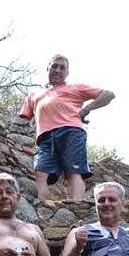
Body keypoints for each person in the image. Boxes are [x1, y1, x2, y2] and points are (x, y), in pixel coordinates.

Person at [19, 55, 115, 201]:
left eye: (62, 68)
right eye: (54, 66)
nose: (58, 70)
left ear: (67, 73)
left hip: (71, 131)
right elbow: (24, 118)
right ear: (47, 69)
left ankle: (76, 206)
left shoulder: (76, 87)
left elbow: (108, 95)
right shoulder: (34, 94)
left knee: (74, 171)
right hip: (44, 137)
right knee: (40, 172)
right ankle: (43, 206)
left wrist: (86, 109)